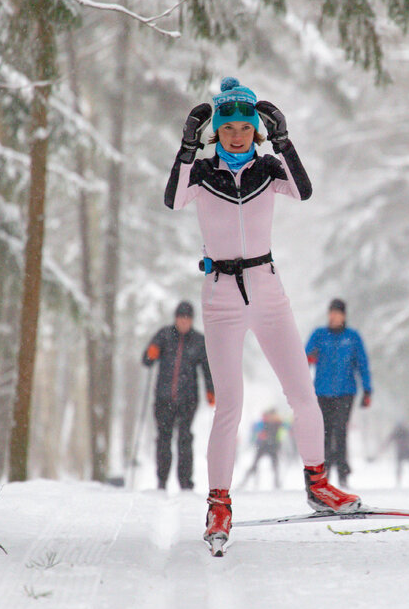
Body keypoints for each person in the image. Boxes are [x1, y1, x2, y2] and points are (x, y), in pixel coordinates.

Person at [165, 76, 361, 549]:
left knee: (302, 393)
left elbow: (304, 190)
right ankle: (218, 505)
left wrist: (284, 138)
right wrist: (187, 145)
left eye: (245, 126)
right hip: (221, 296)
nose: (237, 134)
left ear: (256, 129)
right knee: (229, 404)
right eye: (228, 127)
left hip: (267, 289)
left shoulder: (269, 167)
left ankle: (318, 484)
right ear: (218, 131)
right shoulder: (204, 173)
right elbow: (173, 198)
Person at [141, 300, 214, 491]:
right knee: (163, 439)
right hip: (163, 399)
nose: (183, 322)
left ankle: (185, 482)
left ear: (191, 320)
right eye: (181, 318)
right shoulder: (164, 335)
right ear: (175, 318)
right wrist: (151, 352)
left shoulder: (199, 340)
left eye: (187, 318)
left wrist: (210, 391)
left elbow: (208, 368)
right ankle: (162, 480)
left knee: (184, 439)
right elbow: (146, 361)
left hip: (188, 400)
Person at [305, 298, 373, 486]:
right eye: (331, 313)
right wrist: (311, 356)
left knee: (341, 430)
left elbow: (362, 364)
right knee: (325, 433)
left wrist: (367, 390)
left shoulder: (352, 337)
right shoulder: (319, 335)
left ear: (343, 315)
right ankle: (324, 473)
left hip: (346, 392)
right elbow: (305, 357)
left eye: (337, 313)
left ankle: (343, 473)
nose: (333, 316)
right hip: (322, 392)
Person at [239, 408, 287, 489]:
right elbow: (255, 428)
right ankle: (245, 482)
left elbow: (286, 427)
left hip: (273, 447)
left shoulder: (278, 423)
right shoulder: (264, 423)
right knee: (254, 464)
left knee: (275, 466)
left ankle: (277, 484)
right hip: (263, 446)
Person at [369, 422, 409, 486]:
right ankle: (399, 483)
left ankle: (399, 483)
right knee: (407, 468)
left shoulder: (400, 433)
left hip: (407, 452)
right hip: (406, 452)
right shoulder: (403, 433)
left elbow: (387, 442)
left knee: (408, 469)